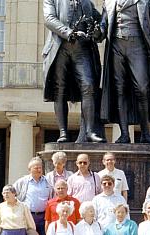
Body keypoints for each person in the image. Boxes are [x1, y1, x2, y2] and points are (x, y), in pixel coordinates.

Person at [99, 0, 150, 144]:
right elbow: (103, 25)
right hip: (116, 45)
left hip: (138, 45)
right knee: (119, 90)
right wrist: (97, 32)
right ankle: (124, 134)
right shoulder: (109, 1)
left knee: (142, 89)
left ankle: (145, 134)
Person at [43, 0, 105, 143]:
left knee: (88, 86)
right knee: (60, 89)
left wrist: (98, 31)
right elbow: (49, 19)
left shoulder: (87, 3)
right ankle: (63, 132)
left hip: (82, 49)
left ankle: (90, 132)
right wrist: (69, 32)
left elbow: (101, 22)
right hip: (60, 47)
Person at [13, 156, 53, 235]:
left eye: (40, 167)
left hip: (43, 217)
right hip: (28, 217)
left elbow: (51, 197)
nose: (39, 169)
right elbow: (11, 194)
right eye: (36, 167)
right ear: (30, 169)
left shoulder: (47, 182)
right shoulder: (23, 181)